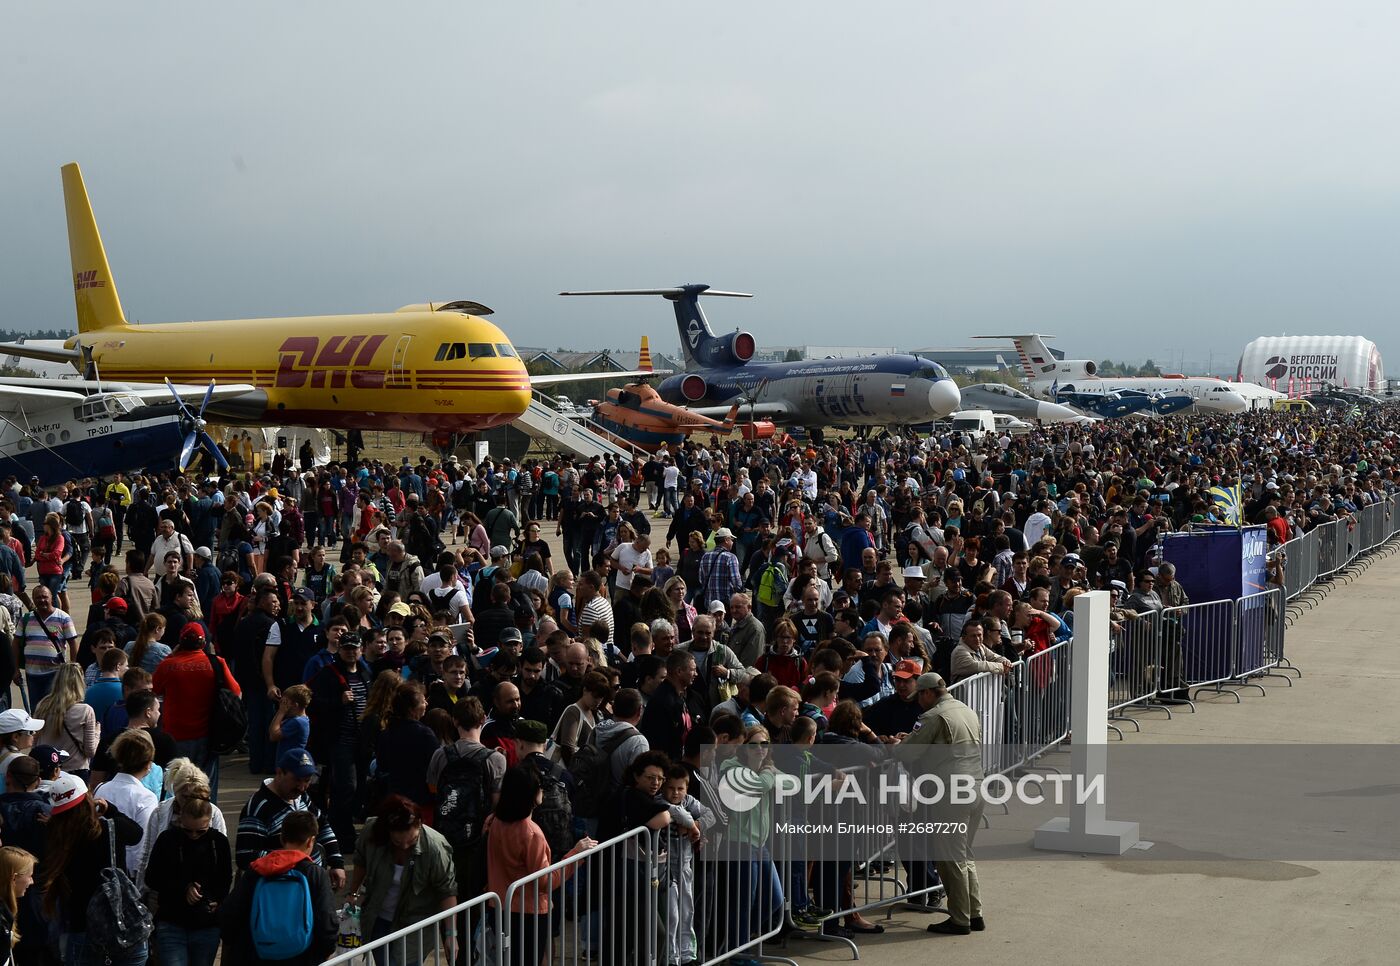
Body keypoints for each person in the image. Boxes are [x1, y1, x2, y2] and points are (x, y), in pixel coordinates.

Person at [900, 672, 986, 936]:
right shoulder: (966, 710)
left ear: (928, 693)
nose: (918, 702)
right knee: (964, 855)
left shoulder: (933, 716)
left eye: (919, 696)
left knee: (950, 858)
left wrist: (896, 743)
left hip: (950, 792)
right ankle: (973, 913)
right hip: (975, 785)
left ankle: (960, 919)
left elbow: (907, 752)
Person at [484, 766, 597, 966]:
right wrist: (576, 854)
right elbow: (545, 881)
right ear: (530, 794)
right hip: (528, 914)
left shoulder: (495, 822)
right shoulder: (531, 833)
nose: (542, 791)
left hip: (499, 907)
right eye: (539, 787)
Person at [41, 772, 149, 966]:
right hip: (123, 929)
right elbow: (136, 833)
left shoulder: (55, 839)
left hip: (81, 931)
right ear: (88, 799)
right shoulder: (112, 828)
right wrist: (111, 810)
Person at [346, 795, 459, 966]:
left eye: (412, 841)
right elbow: (361, 861)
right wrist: (353, 892)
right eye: (398, 841)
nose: (405, 846)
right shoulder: (372, 832)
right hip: (378, 918)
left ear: (420, 825)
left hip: (414, 925)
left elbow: (447, 891)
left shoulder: (435, 848)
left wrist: (451, 935)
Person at [219, 810, 339, 966]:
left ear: (282, 838)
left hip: (255, 956)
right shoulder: (315, 874)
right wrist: (322, 954)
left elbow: (229, 915)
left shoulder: (256, 870)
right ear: (311, 841)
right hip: (303, 957)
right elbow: (327, 923)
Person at [235, 749, 347, 891]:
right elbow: (245, 856)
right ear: (280, 772)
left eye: (307, 781)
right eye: (296, 780)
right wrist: (294, 859)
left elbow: (323, 825)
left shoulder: (302, 797)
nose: (301, 787)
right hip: (280, 891)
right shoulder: (259, 808)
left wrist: (336, 862)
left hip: (309, 885)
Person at [152, 623, 240, 801]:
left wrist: (172, 655)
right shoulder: (216, 663)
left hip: (175, 735)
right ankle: (206, 816)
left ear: (180, 642)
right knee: (205, 783)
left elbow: (155, 689)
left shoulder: (168, 665)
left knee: (176, 784)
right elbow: (236, 692)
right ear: (204, 642)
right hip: (207, 735)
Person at [143, 795, 231, 966]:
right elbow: (152, 877)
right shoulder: (167, 839)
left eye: (200, 831)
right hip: (172, 922)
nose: (193, 836)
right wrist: (183, 888)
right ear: (180, 820)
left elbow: (225, 878)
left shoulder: (218, 842)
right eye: (188, 830)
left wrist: (219, 900)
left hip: (206, 923)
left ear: (209, 822)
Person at [92, 729, 160, 873]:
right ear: (148, 764)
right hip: (128, 873)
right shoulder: (146, 797)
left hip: (99, 866)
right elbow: (142, 844)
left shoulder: (101, 789)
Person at [15, 586, 78, 707]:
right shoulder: (26, 618)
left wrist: (73, 668)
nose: (42, 600)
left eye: (45, 597)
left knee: (53, 710)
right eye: (38, 598)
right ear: (33, 599)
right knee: (36, 710)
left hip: (55, 674)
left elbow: (73, 644)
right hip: (32, 675)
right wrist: (15, 669)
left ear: (51, 598)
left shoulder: (63, 618)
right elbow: (16, 643)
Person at [35, 664, 98, 780]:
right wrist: (97, 733)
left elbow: (35, 741)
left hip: (47, 769)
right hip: (76, 771)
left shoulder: (42, 705)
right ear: (80, 682)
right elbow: (90, 751)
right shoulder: (85, 710)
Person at [0, 711, 43, 782]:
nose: (34, 733)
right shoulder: (19, 761)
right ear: (16, 737)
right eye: (30, 732)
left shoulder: (3, 752)